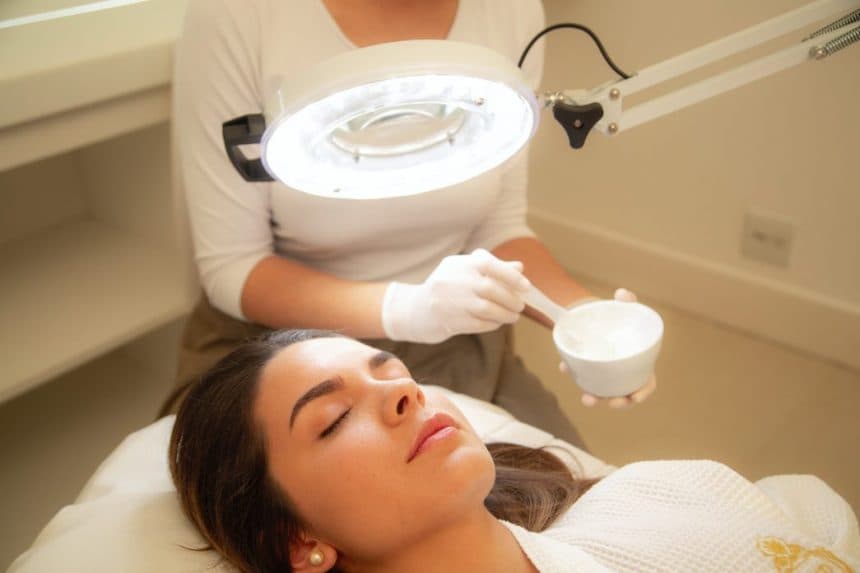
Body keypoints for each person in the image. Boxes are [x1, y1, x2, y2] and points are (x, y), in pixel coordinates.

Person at [165, 0, 657, 445]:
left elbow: (498, 227)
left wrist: (588, 320)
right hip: (278, 350)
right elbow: (233, 266)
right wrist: (409, 309)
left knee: (560, 489)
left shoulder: (510, 10)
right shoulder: (237, 13)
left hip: (450, 340)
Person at [170, 329, 860, 573]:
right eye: (335, 417)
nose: (405, 393)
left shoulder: (656, 494)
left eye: (392, 371)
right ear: (299, 541)